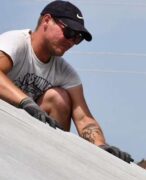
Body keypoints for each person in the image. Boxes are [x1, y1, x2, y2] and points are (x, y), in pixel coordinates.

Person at [0, 0, 133, 163]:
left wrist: (102, 147)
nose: (71, 42)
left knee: (58, 98)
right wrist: (26, 102)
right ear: (47, 20)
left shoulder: (66, 73)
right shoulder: (15, 42)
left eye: (78, 38)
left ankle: (50, 161)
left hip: (24, 137)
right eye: (69, 32)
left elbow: (84, 119)